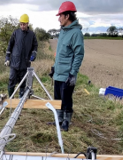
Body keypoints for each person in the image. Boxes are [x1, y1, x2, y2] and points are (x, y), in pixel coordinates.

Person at [52, 2, 84, 131]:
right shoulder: (63, 32)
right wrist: (54, 67)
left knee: (66, 99)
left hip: (67, 74)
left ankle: (66, 121)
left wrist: (73, 73)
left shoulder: (76, 33)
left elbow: (79, 54)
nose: (58, 18)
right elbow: (60, 53)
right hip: (58, 72)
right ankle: (59, 120)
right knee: (57, 98)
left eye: (60, 16)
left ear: (67, 16)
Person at [6, 15, 39, 98]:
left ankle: (21, 96)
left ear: (27, 23)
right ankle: (11, 98)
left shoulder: (31, 34)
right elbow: (10, 46)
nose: (22, 26)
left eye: (24, 24)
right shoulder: (16, 33)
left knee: (23, 81)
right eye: (21, 24)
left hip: (25, 63)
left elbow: (35, 45)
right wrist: (7, 58)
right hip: (14, 62)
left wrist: (34, 54)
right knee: (11, 80)